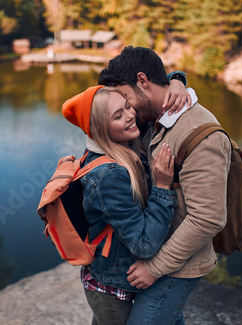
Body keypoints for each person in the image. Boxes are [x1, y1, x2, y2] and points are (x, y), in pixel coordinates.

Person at [98, 46, 231, 324]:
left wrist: (154, 268)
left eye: (124, 97)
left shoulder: (201, 135)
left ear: (143, 81)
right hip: (157, 248)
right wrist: (177, 78)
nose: (125, 109)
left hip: (178, 266)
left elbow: (208, 218)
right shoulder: (153, 115)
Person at [61, 81, 186, 325]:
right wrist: (162, 187)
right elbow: (144, 245)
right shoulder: (109, 175)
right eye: (118, 116)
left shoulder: (120, 144)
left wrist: (177, 81)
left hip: (116, 280)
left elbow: (152, 84)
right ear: (100, 129)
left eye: (128, 106)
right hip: (113, 291)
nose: (131, 116)